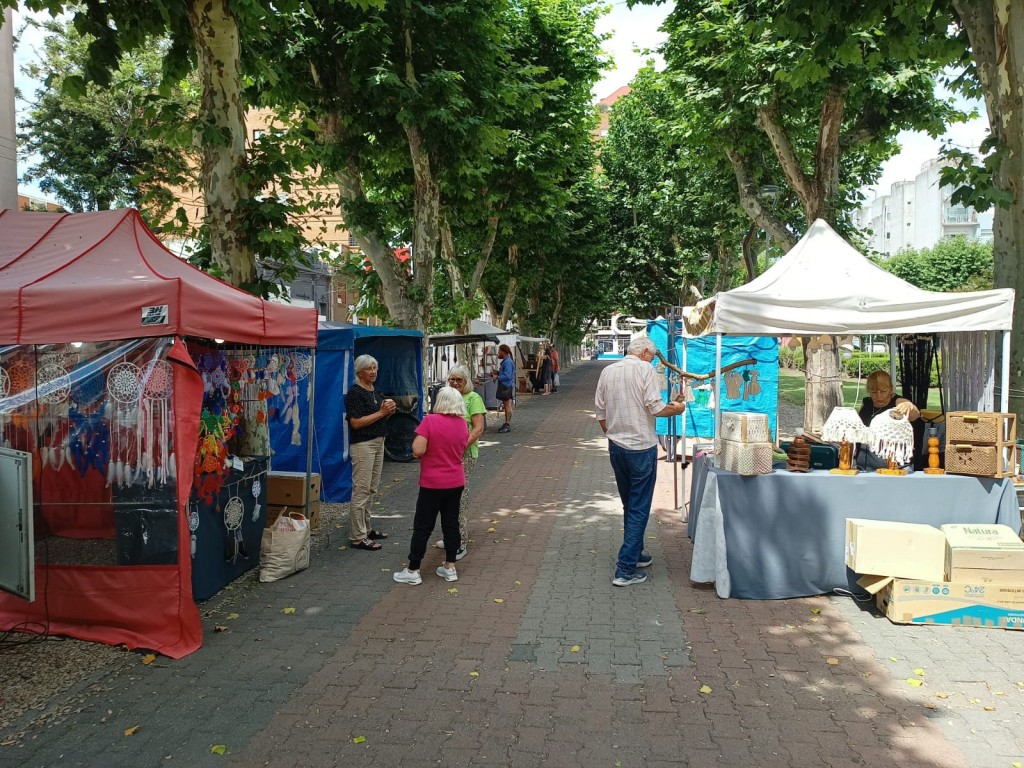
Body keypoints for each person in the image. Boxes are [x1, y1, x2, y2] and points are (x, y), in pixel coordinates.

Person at [595, 336, 686, 587]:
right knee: (639, 505)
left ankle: (635, 552)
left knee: (630, 503)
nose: (653, 359)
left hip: (617, 447)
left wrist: (614, 434)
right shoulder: (645, 369)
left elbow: (600, 413)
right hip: (641, 448)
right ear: (645, 352)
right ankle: (624, 568)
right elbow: (655, 408)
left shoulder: (608, 371)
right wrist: (677, 408)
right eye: (653, 355)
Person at [392, 386, 469, 585]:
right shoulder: (462, 424)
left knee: (423, 526)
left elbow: (417, 450)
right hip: (455, 480)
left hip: (433, 482)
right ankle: (450, 567)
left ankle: (413, 569)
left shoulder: (430, 421)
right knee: (451, 523)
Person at [345, 354, 397, 551]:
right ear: (359, 372)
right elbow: (356, 423)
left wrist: (389, 409)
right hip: (363, 445)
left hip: (378, 441)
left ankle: (366, 528)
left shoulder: (376, 390)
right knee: (361, 489)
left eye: (375, 367)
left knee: (372, 488)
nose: (373, 371)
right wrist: (382, 413)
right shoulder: (355, 393)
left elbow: (379, 415)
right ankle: (357, 536)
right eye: (369, 368)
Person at [434, 364, 484, 560]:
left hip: (464, 453)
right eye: (452, 379)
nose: (455, 383)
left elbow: (478, 429)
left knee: (459, 496)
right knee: (444, 497)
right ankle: (450, 536)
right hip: (445, 454)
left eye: (459, 380)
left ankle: (460, 542)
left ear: (467, 382)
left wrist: (460, 447)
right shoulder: (446, 397)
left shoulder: (473, 398)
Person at [856, 369, 921, 470]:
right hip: (865, 466)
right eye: (873, 392)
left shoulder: (897, 402)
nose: (879, 396)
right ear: (868, 390)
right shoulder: (866, 403)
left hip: (896, 467)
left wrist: (909, 405)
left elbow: (915, 414)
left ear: (891, 389)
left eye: (883, 391)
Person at [494, 344, 515, 433]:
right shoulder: (506, 362)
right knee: (506, 405)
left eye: (499, 351)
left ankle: (507, 424)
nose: (498, 353)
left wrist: (498, 377)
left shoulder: (508, 362)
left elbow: (507, 375)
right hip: (506, 386)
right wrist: (498, 373)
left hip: (506, 386)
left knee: (507, 405)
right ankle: (506, 423)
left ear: (503, 352)